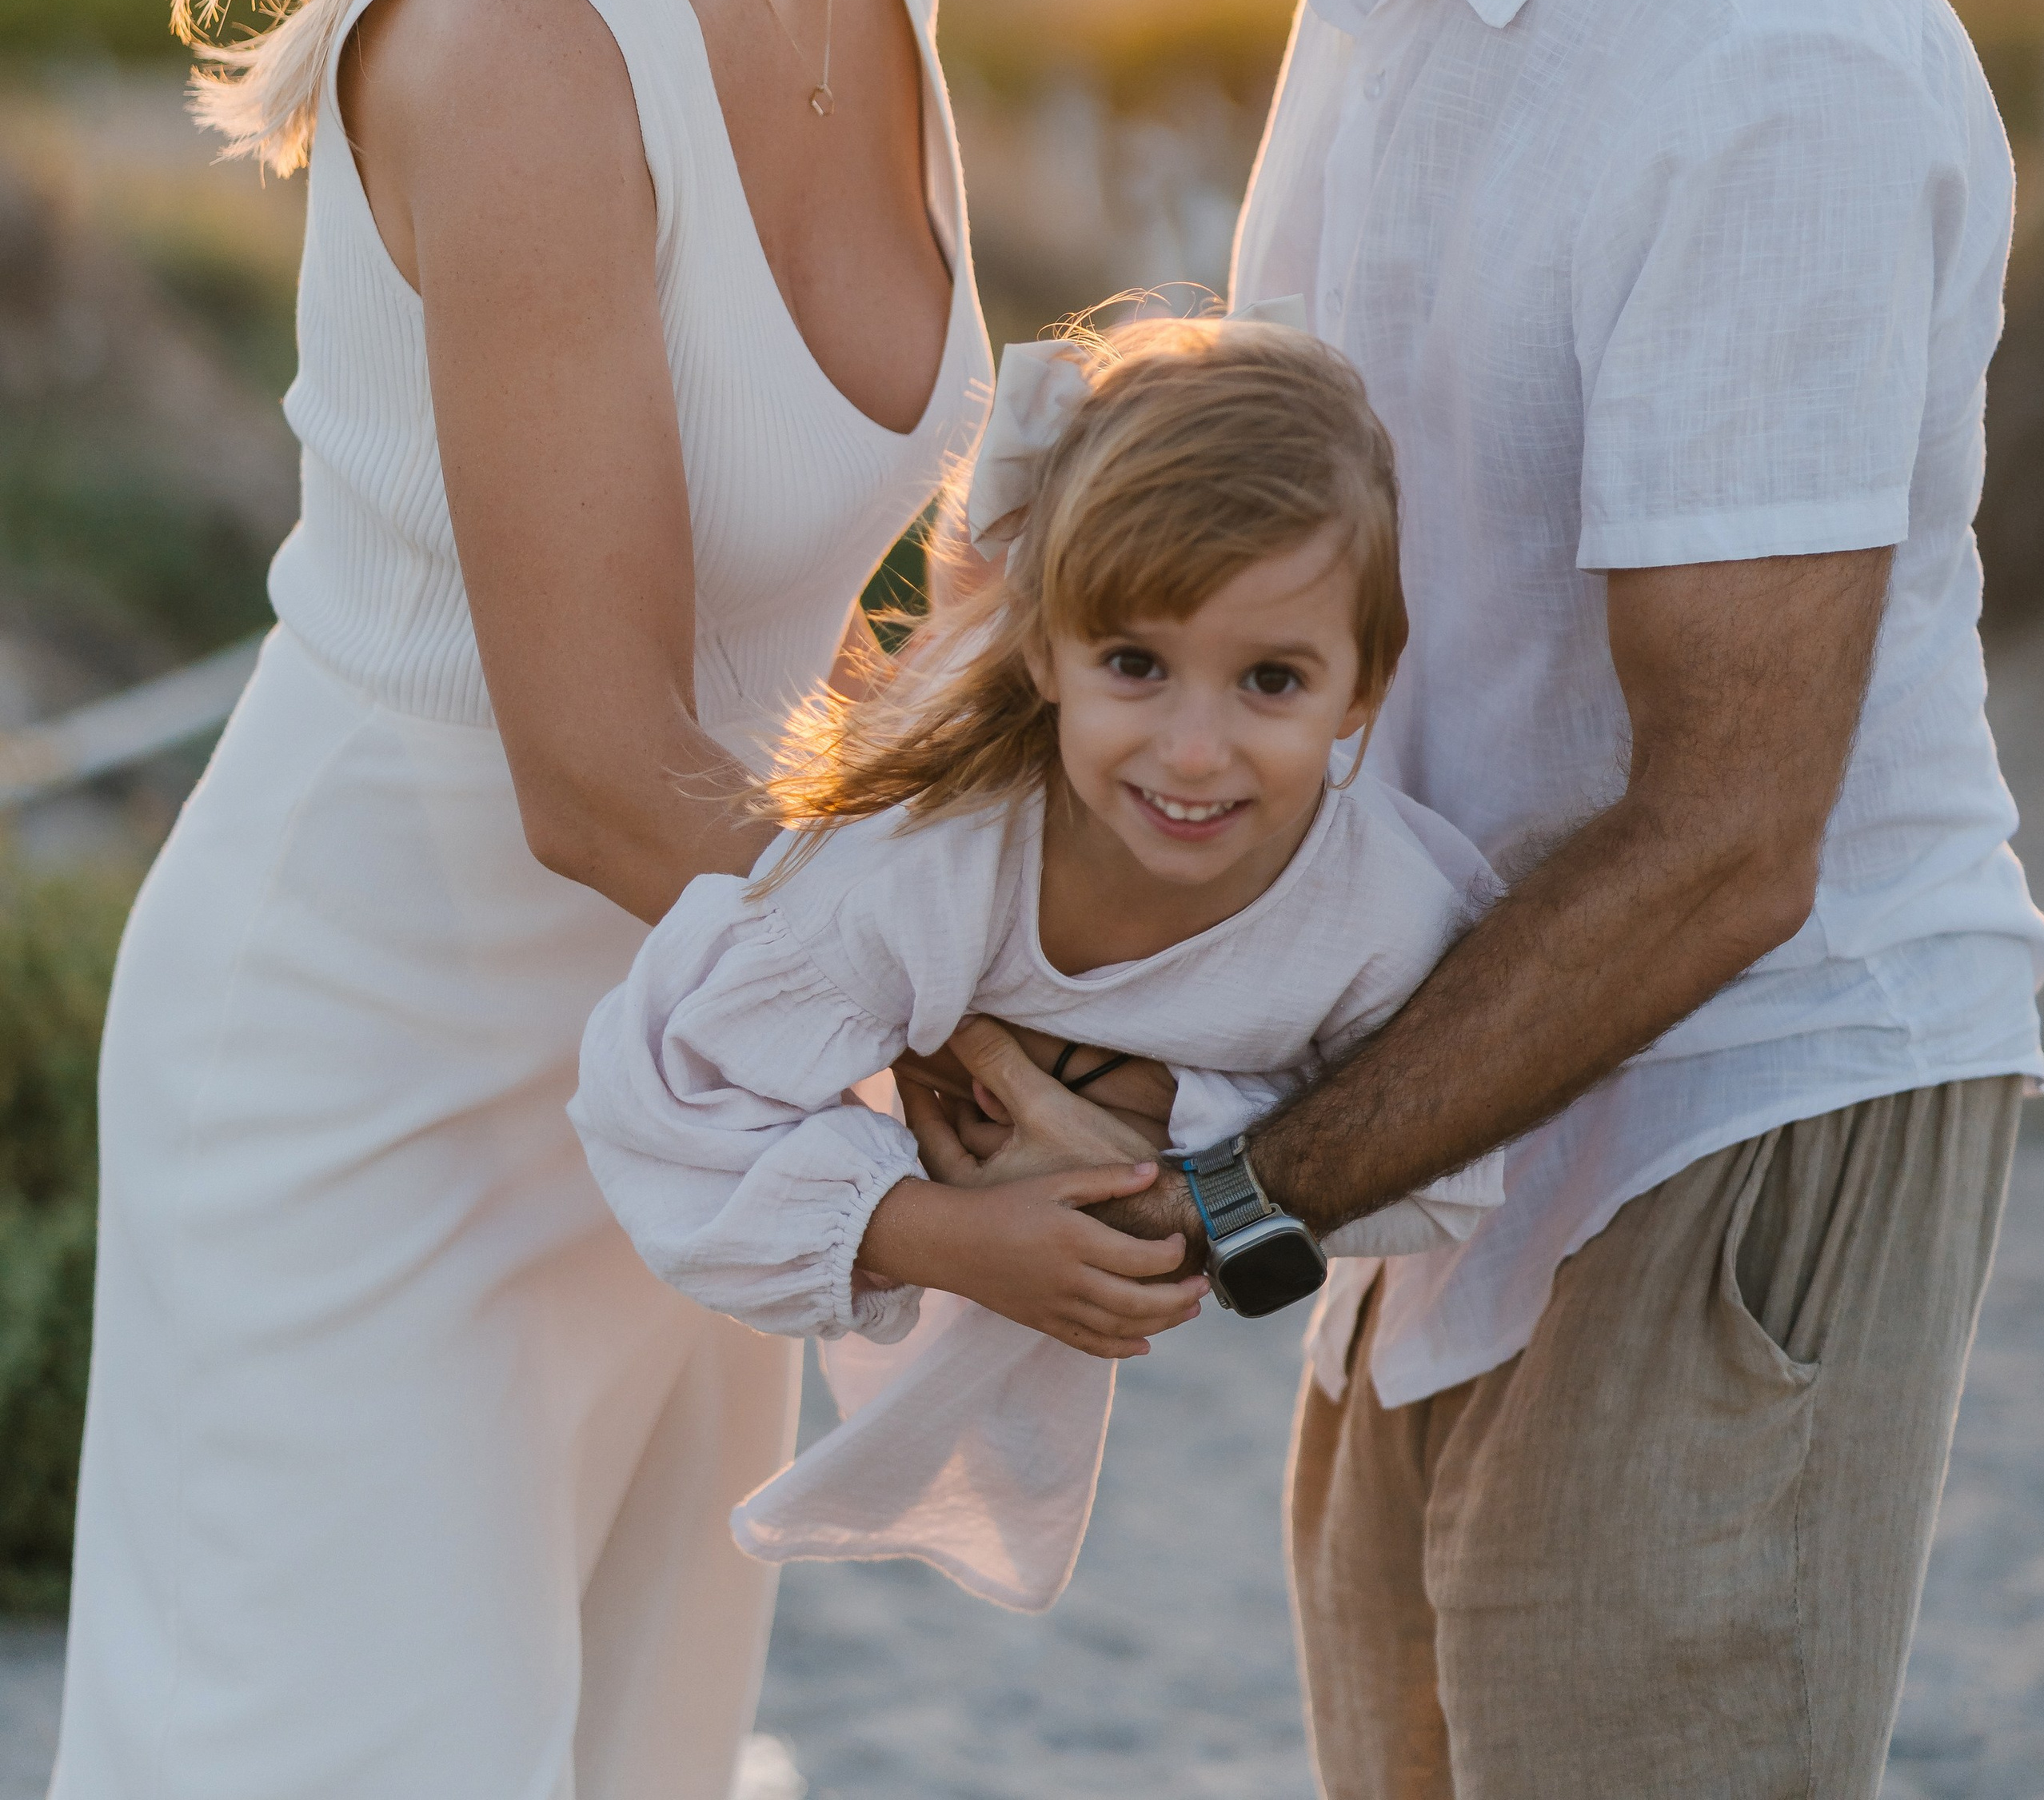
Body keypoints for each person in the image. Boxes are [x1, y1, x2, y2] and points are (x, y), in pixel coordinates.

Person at [903, 0, 2044, 1798]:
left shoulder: (1750, 35)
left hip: (1729, 1102)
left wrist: (1230, 1190)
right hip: (1455, 1116)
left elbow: (1730, 836)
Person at [49, 0, 1075, 1800]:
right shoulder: (513, 22)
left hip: (680, 1061)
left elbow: (776, 623)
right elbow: (603, 756)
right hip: (366, 1086)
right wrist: (1000, 1041)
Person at [570, 314, 1503, 1613]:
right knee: (959, 649)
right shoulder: (916, 868)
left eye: (1271, 681)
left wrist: (1171, 1137)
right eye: (1137, 663)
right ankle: (984, 585)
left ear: (1364, 691)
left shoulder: (1392, 915)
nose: (1194, 751)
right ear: (1056, 656)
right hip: (985, 752)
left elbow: (1453, 1171)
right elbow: (654, 1103)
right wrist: (939, 1233)